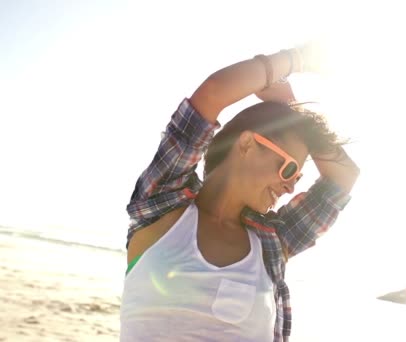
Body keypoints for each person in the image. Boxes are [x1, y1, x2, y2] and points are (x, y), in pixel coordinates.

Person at [119, 43, 360, 341]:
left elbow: (345, 176)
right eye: (288, 169)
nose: (291, 186)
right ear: (247, 144)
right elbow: (213, 92)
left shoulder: (274, 241)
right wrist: (296, 59)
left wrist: (295, 113)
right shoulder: (162, 203)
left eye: (297, 176)